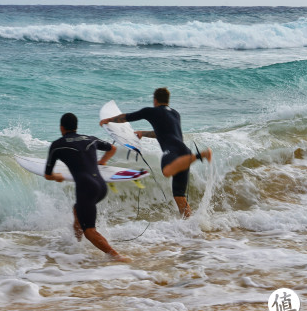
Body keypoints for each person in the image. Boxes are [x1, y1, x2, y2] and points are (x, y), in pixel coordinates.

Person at [99, 87, 212, 218]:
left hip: (173, 152)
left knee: (167, 171)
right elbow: (165, 133)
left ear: (155, 100)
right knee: (179, 196)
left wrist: (108, 120)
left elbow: (126, 117)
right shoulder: (175, 113)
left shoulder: (151, 111)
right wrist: (143, 133)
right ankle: (191, 226)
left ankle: (199, 155)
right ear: (167, 100)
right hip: (183, 152)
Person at [44, 112, 130, 262]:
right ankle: (76, 244)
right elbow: (112, 149)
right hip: (101, 186)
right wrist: (102, 162)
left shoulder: (57, 145)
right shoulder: (90, 139)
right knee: (77, 209)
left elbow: (48, 175)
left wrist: (59, 177)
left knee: (89, 230)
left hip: (86, 188)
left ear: (61, 127)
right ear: (76, 127)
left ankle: (116, 256)